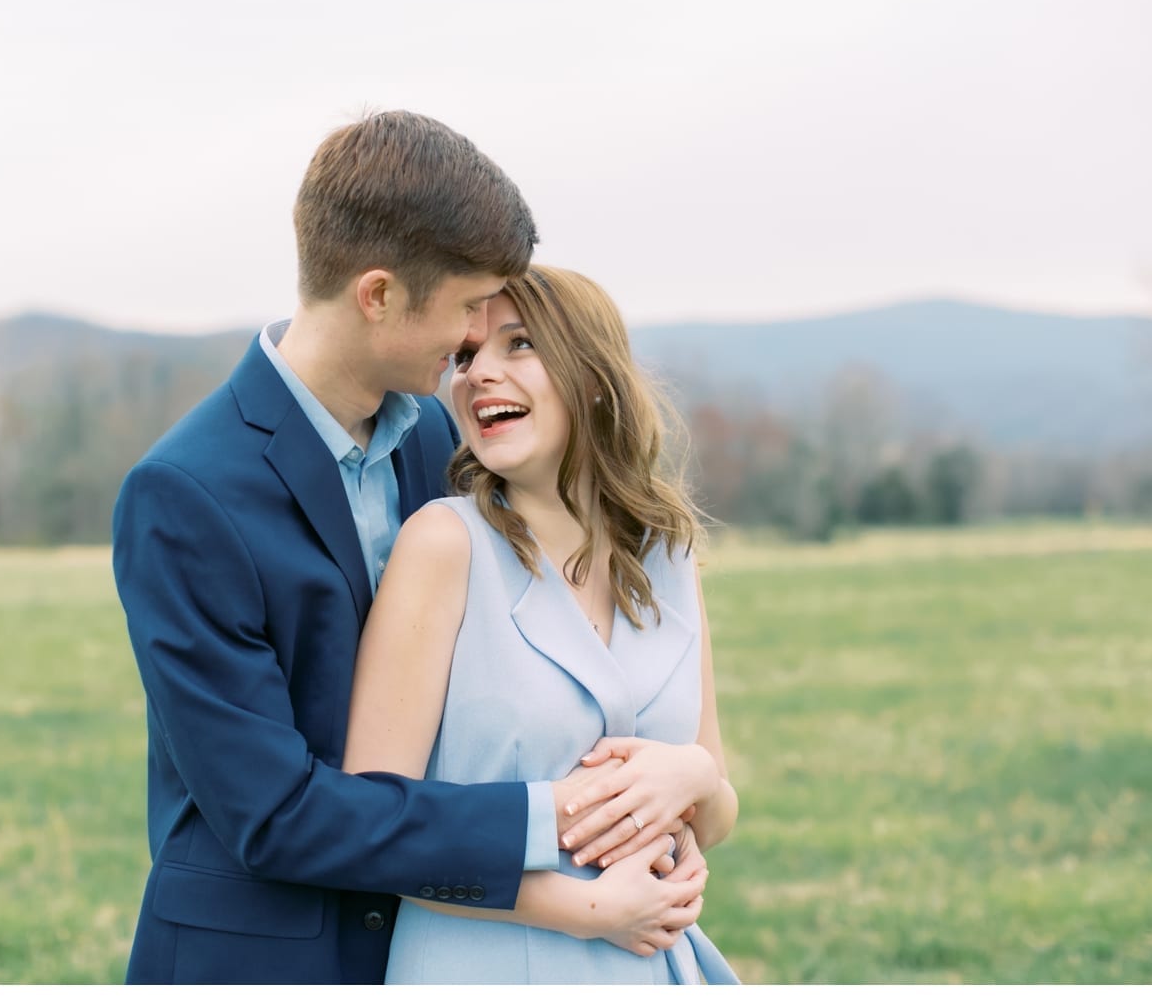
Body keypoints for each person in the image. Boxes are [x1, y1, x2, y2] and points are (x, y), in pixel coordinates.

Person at [112, 112, 707, 984]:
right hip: (264, 963)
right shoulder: (184, 496)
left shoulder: (441, 440)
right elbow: (274, 814)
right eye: (470, 307)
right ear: (379, 294)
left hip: (447, 951)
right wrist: (565, 819)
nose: (474, 344)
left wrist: (685, 778)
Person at [343, 263, 742, 984]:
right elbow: (373, 825)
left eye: (518, 344)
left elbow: (714, 815)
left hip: (653, 970)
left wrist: (697, 776)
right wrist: (589, 911)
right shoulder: (444, 545)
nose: (476, 375)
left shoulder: (668, 553)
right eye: (465, 356)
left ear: (592, 375)